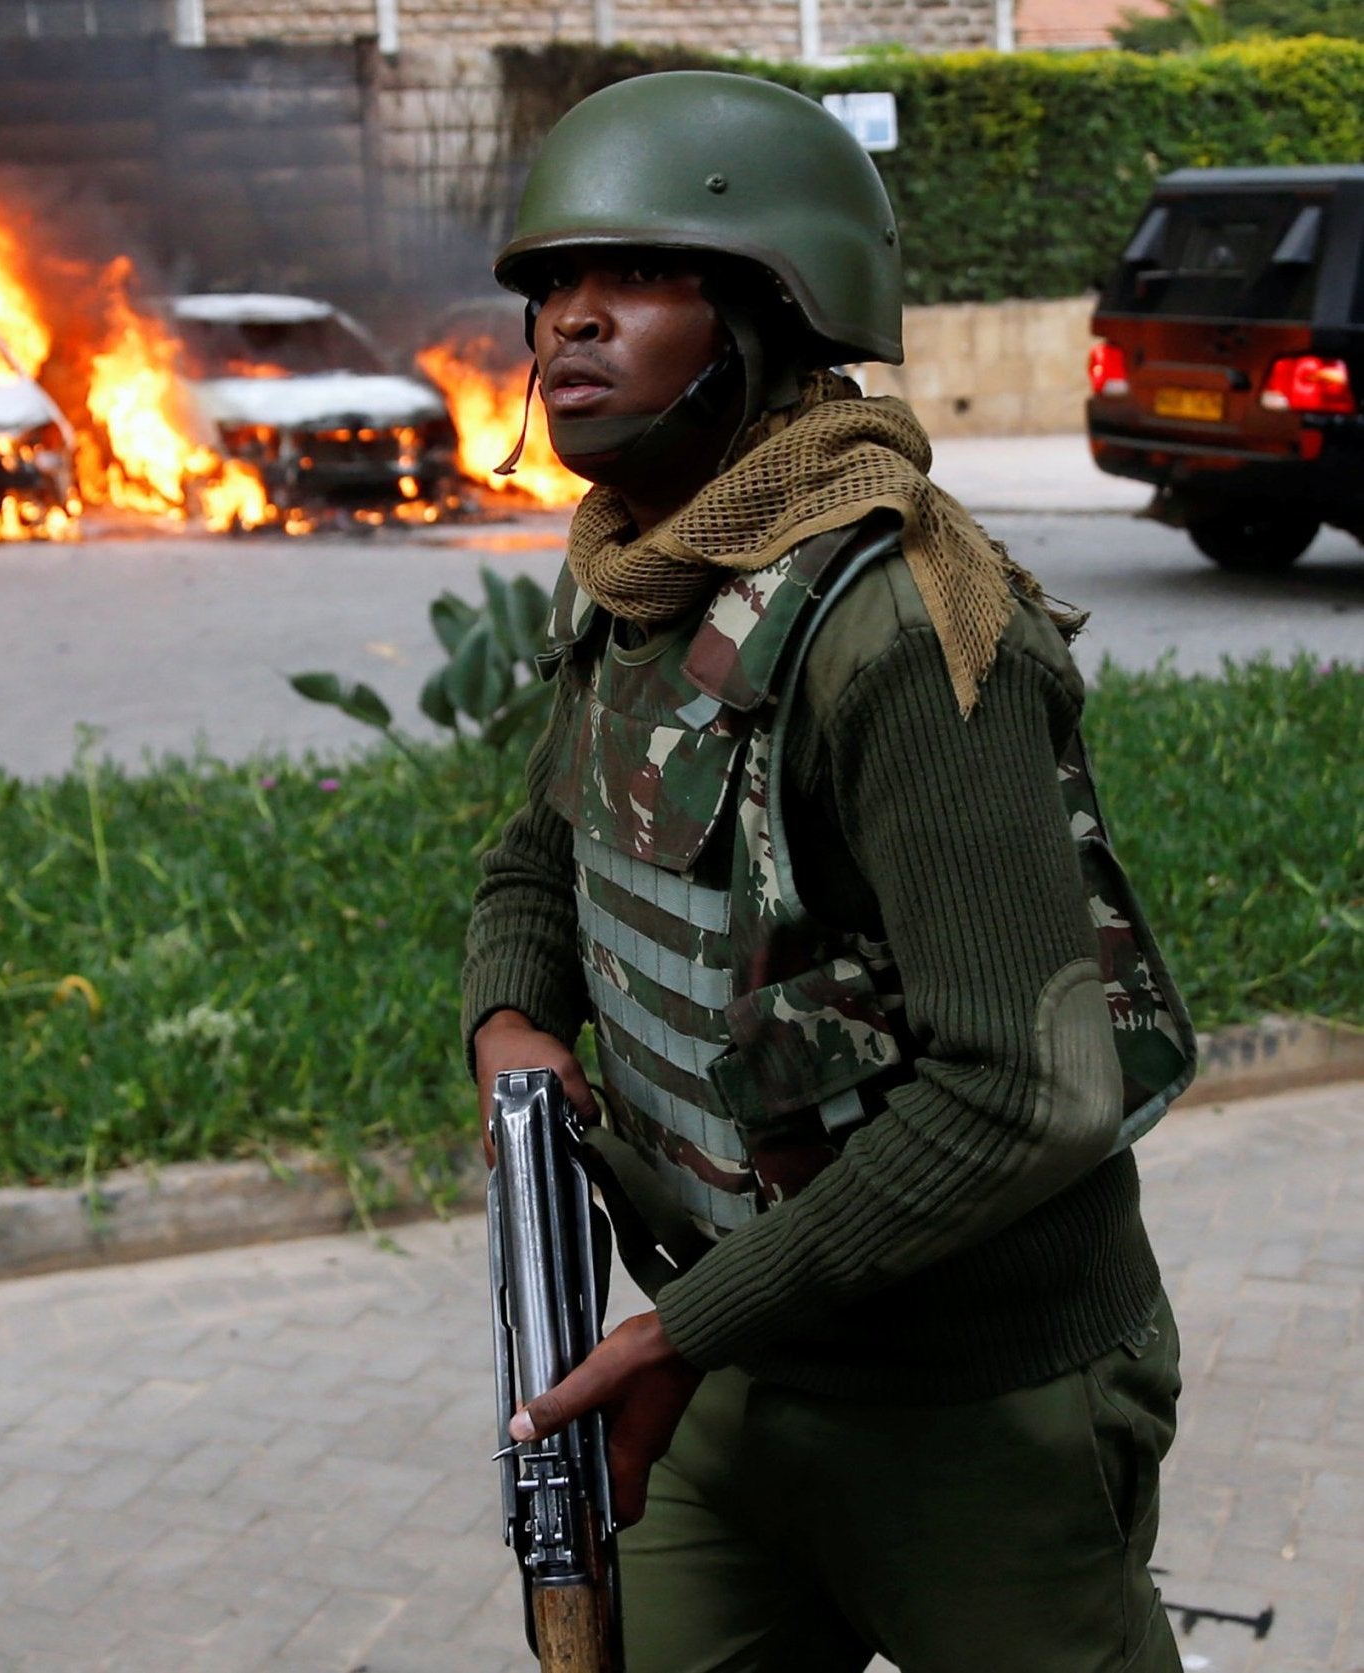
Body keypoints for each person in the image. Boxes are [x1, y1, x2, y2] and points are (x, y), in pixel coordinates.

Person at [461, 71, 1198, 1672]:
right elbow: (547, 843)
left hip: (971, 1402)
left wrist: (682, 1336)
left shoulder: (904, 624)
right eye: (548, 288)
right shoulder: (648, 564)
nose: (568, 324)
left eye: (636, 278)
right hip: (737, 1364)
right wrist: (510, 1020)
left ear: (772, 314)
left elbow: (1024, 1090)